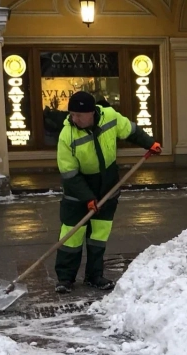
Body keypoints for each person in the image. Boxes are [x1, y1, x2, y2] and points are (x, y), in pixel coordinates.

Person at [55, 91, 161, 292]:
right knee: (71, 235)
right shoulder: (66, 135)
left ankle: (94, 276)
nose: (74, 118)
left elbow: (131, 131)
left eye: (78, 115)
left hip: (107, 185)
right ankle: (65, 279)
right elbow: (70, 174)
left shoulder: (110, 117)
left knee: (98, 235)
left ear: (91, 113)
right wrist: (87, 198)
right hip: (77, 191)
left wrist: (150, 143)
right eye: (72, 114)